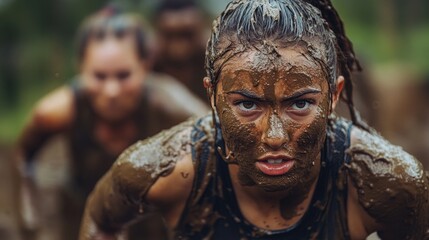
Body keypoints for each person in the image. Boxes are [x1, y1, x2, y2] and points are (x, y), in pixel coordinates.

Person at [79, 0, 429, 239]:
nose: (275, 136)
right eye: (248, 106)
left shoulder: (386, 184)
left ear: (333, 97)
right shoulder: (165, 170)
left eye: (300, 104)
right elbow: (99, 220)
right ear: (213, 97)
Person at [14, 6, 208, 240]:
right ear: (81, 68)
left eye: (123, 75)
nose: (111, 91)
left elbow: (218, 140)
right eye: (99, 76)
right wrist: (26, 205)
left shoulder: (168, 104)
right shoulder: (56, 112)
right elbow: (22, 157)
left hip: (148, 217)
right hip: (79, 209)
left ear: (146, 66)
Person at [152, 0, 209, 101]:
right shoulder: (149, 63)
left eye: (187, 34)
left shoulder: (218, 58)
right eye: (169, 35)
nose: (178, 48)